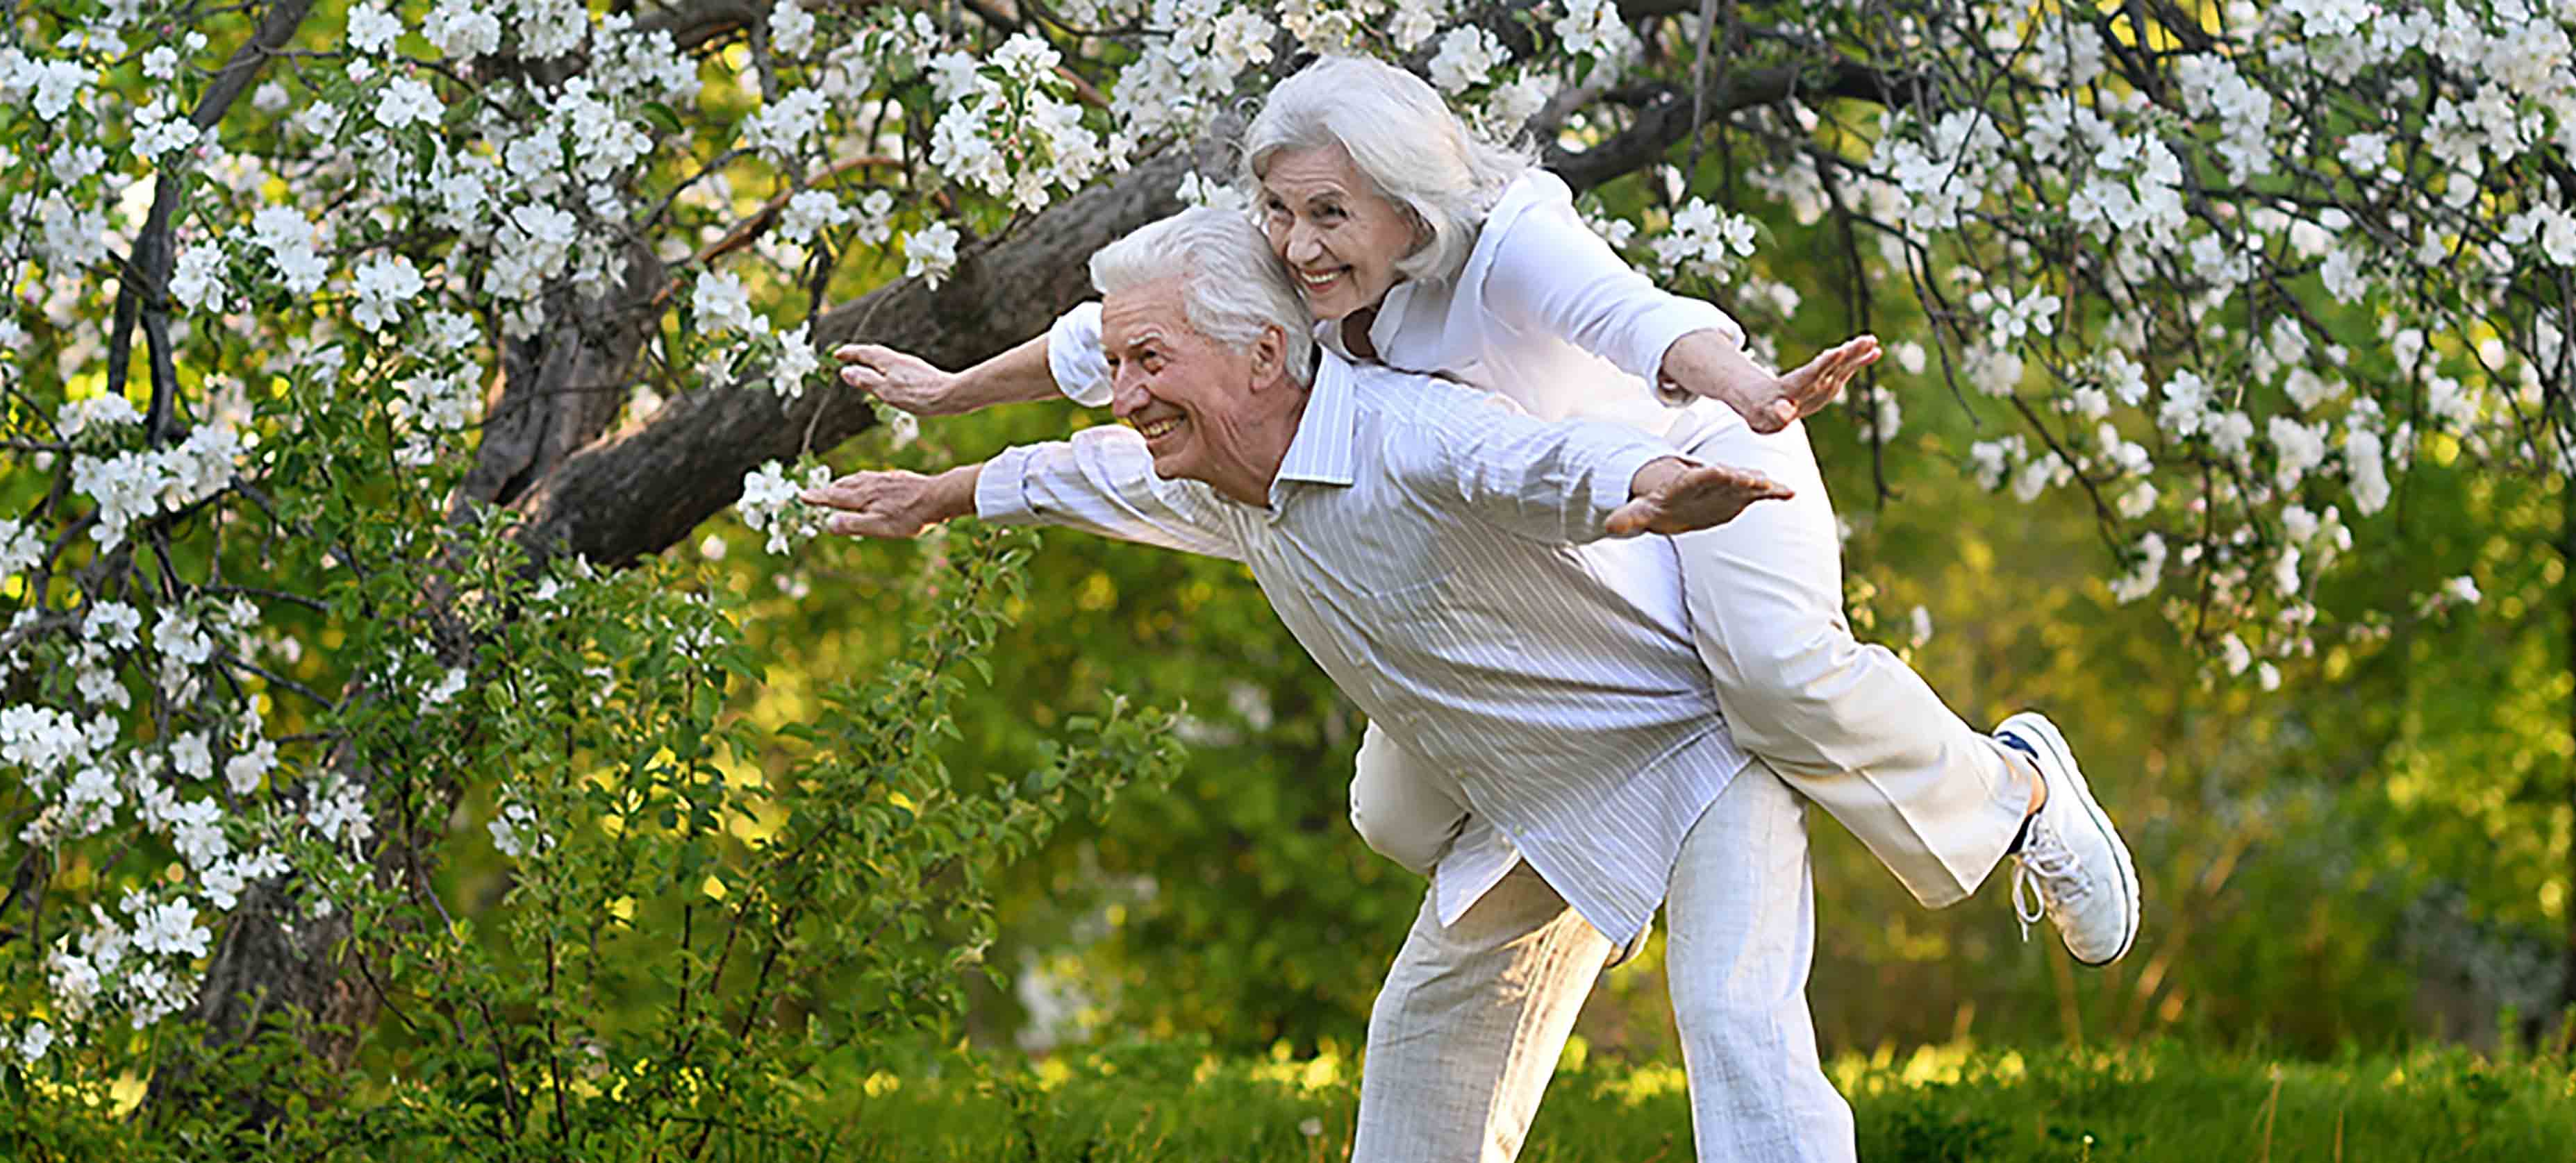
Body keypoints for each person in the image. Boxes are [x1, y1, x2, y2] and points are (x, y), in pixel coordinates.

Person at [810, 206, 1915, 1163]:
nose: (1122, 395)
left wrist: (1653, 483)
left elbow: (1534, 463)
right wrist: (939, 494)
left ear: (1262, 357)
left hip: (1696, 746)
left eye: (1148, 362)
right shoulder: (1216, 475)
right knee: (1425, 1033)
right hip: (1538, 797)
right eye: (1116, 365)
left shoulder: (1402, 430)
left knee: (1730, 1013)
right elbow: (1077, 473)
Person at [838, 53, 2138, 967]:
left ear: (1409, 202)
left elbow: (1640, 324)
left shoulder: (1511, 237)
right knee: (1394, 819)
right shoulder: (1305, 278)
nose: (1295, 245)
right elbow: (1103, 345)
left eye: (1328, 214)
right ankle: (1579, 831)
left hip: (1696, 471)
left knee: (1777, 681)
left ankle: (2018, 790)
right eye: (1278, 212)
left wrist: (1755, 396)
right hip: (1535, 550)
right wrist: (953, 403)